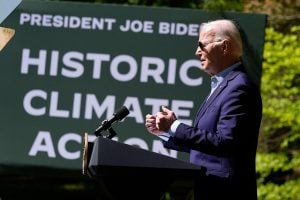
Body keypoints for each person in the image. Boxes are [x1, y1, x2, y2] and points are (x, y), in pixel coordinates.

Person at [145, 19, 262, 200]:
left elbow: (225, 143)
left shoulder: (240, 86)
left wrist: (176, 126)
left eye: (202, 45)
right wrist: (166, 131)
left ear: (224, 47)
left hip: (226, 193)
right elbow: (205, 147)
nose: (197, 52)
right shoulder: (223, 85)